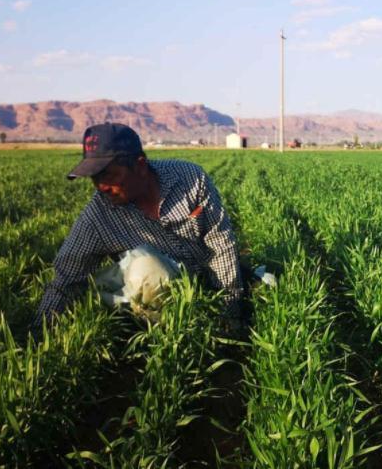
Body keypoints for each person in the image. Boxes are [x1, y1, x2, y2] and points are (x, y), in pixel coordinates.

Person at [30, 122, 248, 337]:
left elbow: (220, 245)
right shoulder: (99, 216)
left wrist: (231, 310)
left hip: (205, 282)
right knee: (146, 268)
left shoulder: (190, 180)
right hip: (160, 301)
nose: (101, 186)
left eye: (108, 175)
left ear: (140, 165)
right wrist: (40, 333)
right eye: (95, 178)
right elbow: (66, 279)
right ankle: (175, 333)